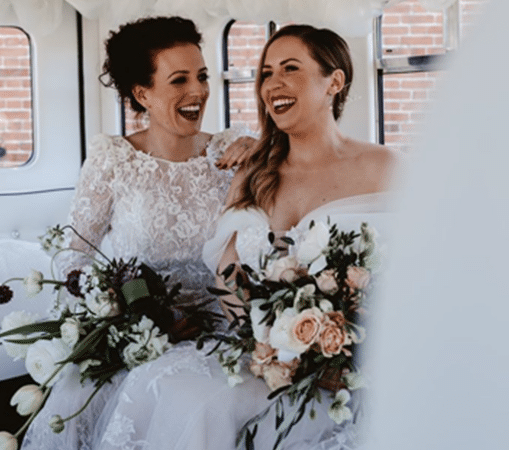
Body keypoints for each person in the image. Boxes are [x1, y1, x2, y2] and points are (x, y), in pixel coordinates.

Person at [93, 24, 400, 450]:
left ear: (335, 81)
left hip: (361, 360)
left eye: (289, 68)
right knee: (180, 395)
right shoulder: (253, 173)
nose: (273, 83)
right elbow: (229, 278)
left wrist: (347, 349)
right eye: (266, 72)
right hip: (259, 354)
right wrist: (269, 346)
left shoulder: (389, 167)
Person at [20, 16, 254, 450]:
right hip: (144, 340)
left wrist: (268, 153)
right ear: (142, 94)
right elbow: (74, 258)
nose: (198, 91)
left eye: (202, 76)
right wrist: (129, 318)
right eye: (179, 79)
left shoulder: (233, 151)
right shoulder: (114, 160)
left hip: (227, 333)